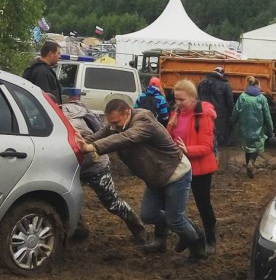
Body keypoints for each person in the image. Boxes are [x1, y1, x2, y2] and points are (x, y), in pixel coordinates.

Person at [75, 98, 205, 261]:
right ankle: (176, 232)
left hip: (175, 173)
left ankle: (197, 248)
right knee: (148, 215)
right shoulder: (117, 125)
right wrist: (79, 143)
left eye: (116, 122)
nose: (113, 126)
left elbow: (127, 138)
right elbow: (100, 134)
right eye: (111, 123)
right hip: (155, 176)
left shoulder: (143, 121)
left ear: (127, 112)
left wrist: (93, 148)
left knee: (175, 220)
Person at [61, 89, 147, 245]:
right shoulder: (51, 119)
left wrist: (88, 145)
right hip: (73, 167)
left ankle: (138, 228)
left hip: (95, 165)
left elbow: (98, 137)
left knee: (112, 203)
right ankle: (79, 230)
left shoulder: (72, 121)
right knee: (67, 197)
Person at [167, 80, 218, 256]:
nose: (178, 103)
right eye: (176, 99)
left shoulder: (202, 116)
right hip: (180, 167)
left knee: (203, 205)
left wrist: (187, 150)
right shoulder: (177, 114)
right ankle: (187, 234)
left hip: (199, 169)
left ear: (193, 98)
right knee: (175, 205)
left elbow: (207, 146)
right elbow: (170, 138)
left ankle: (211, 239)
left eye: (182, 99)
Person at [232, 76, 274, 179]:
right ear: (256, 85)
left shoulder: (242, 97)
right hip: (258, 128)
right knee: (256, 147)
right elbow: (267, 115)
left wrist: (232, 122)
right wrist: (270, 128)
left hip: (245, 127)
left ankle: (248, 167)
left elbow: (236, 111)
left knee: (247, 148)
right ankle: (251, 162)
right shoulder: (261, 98)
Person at [197, 66, 235, 147]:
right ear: (222, 74)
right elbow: (230, 101)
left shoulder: (202, 83)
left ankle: (207, 143)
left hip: (204, 111)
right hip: (220, 113)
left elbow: (198, 98)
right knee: (219, 132)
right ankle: (216, 146)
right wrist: (230, 113)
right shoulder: (225, 85)